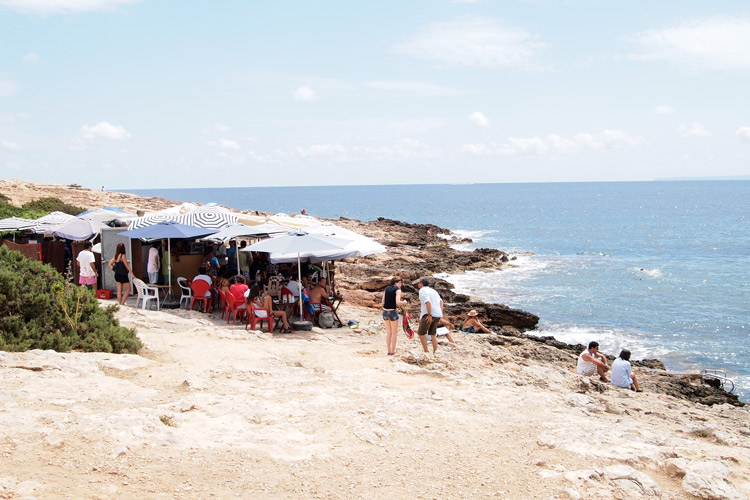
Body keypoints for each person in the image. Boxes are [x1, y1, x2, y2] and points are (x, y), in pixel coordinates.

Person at [381, 278, 408, 356]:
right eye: (401, 283)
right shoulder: (398, 290)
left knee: (389, 332)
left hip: (385, 311)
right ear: (398, 283)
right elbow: (398, 302)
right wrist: (404, 302)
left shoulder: (387, 288)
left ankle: (389, 350)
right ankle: (393, 351)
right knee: (394, 333)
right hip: (392, 311)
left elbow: (383, 301)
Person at [417, 277, 443, 353]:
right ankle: (435, 351)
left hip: (428, 314)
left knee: (421, 333)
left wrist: (429, 315)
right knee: (433, 334)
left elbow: (428, 302)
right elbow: (441, 302)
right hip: (437, 314)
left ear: (421, 283)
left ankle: (426, 351)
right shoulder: (434, 291)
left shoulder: (422, 291)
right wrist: (440, 314)